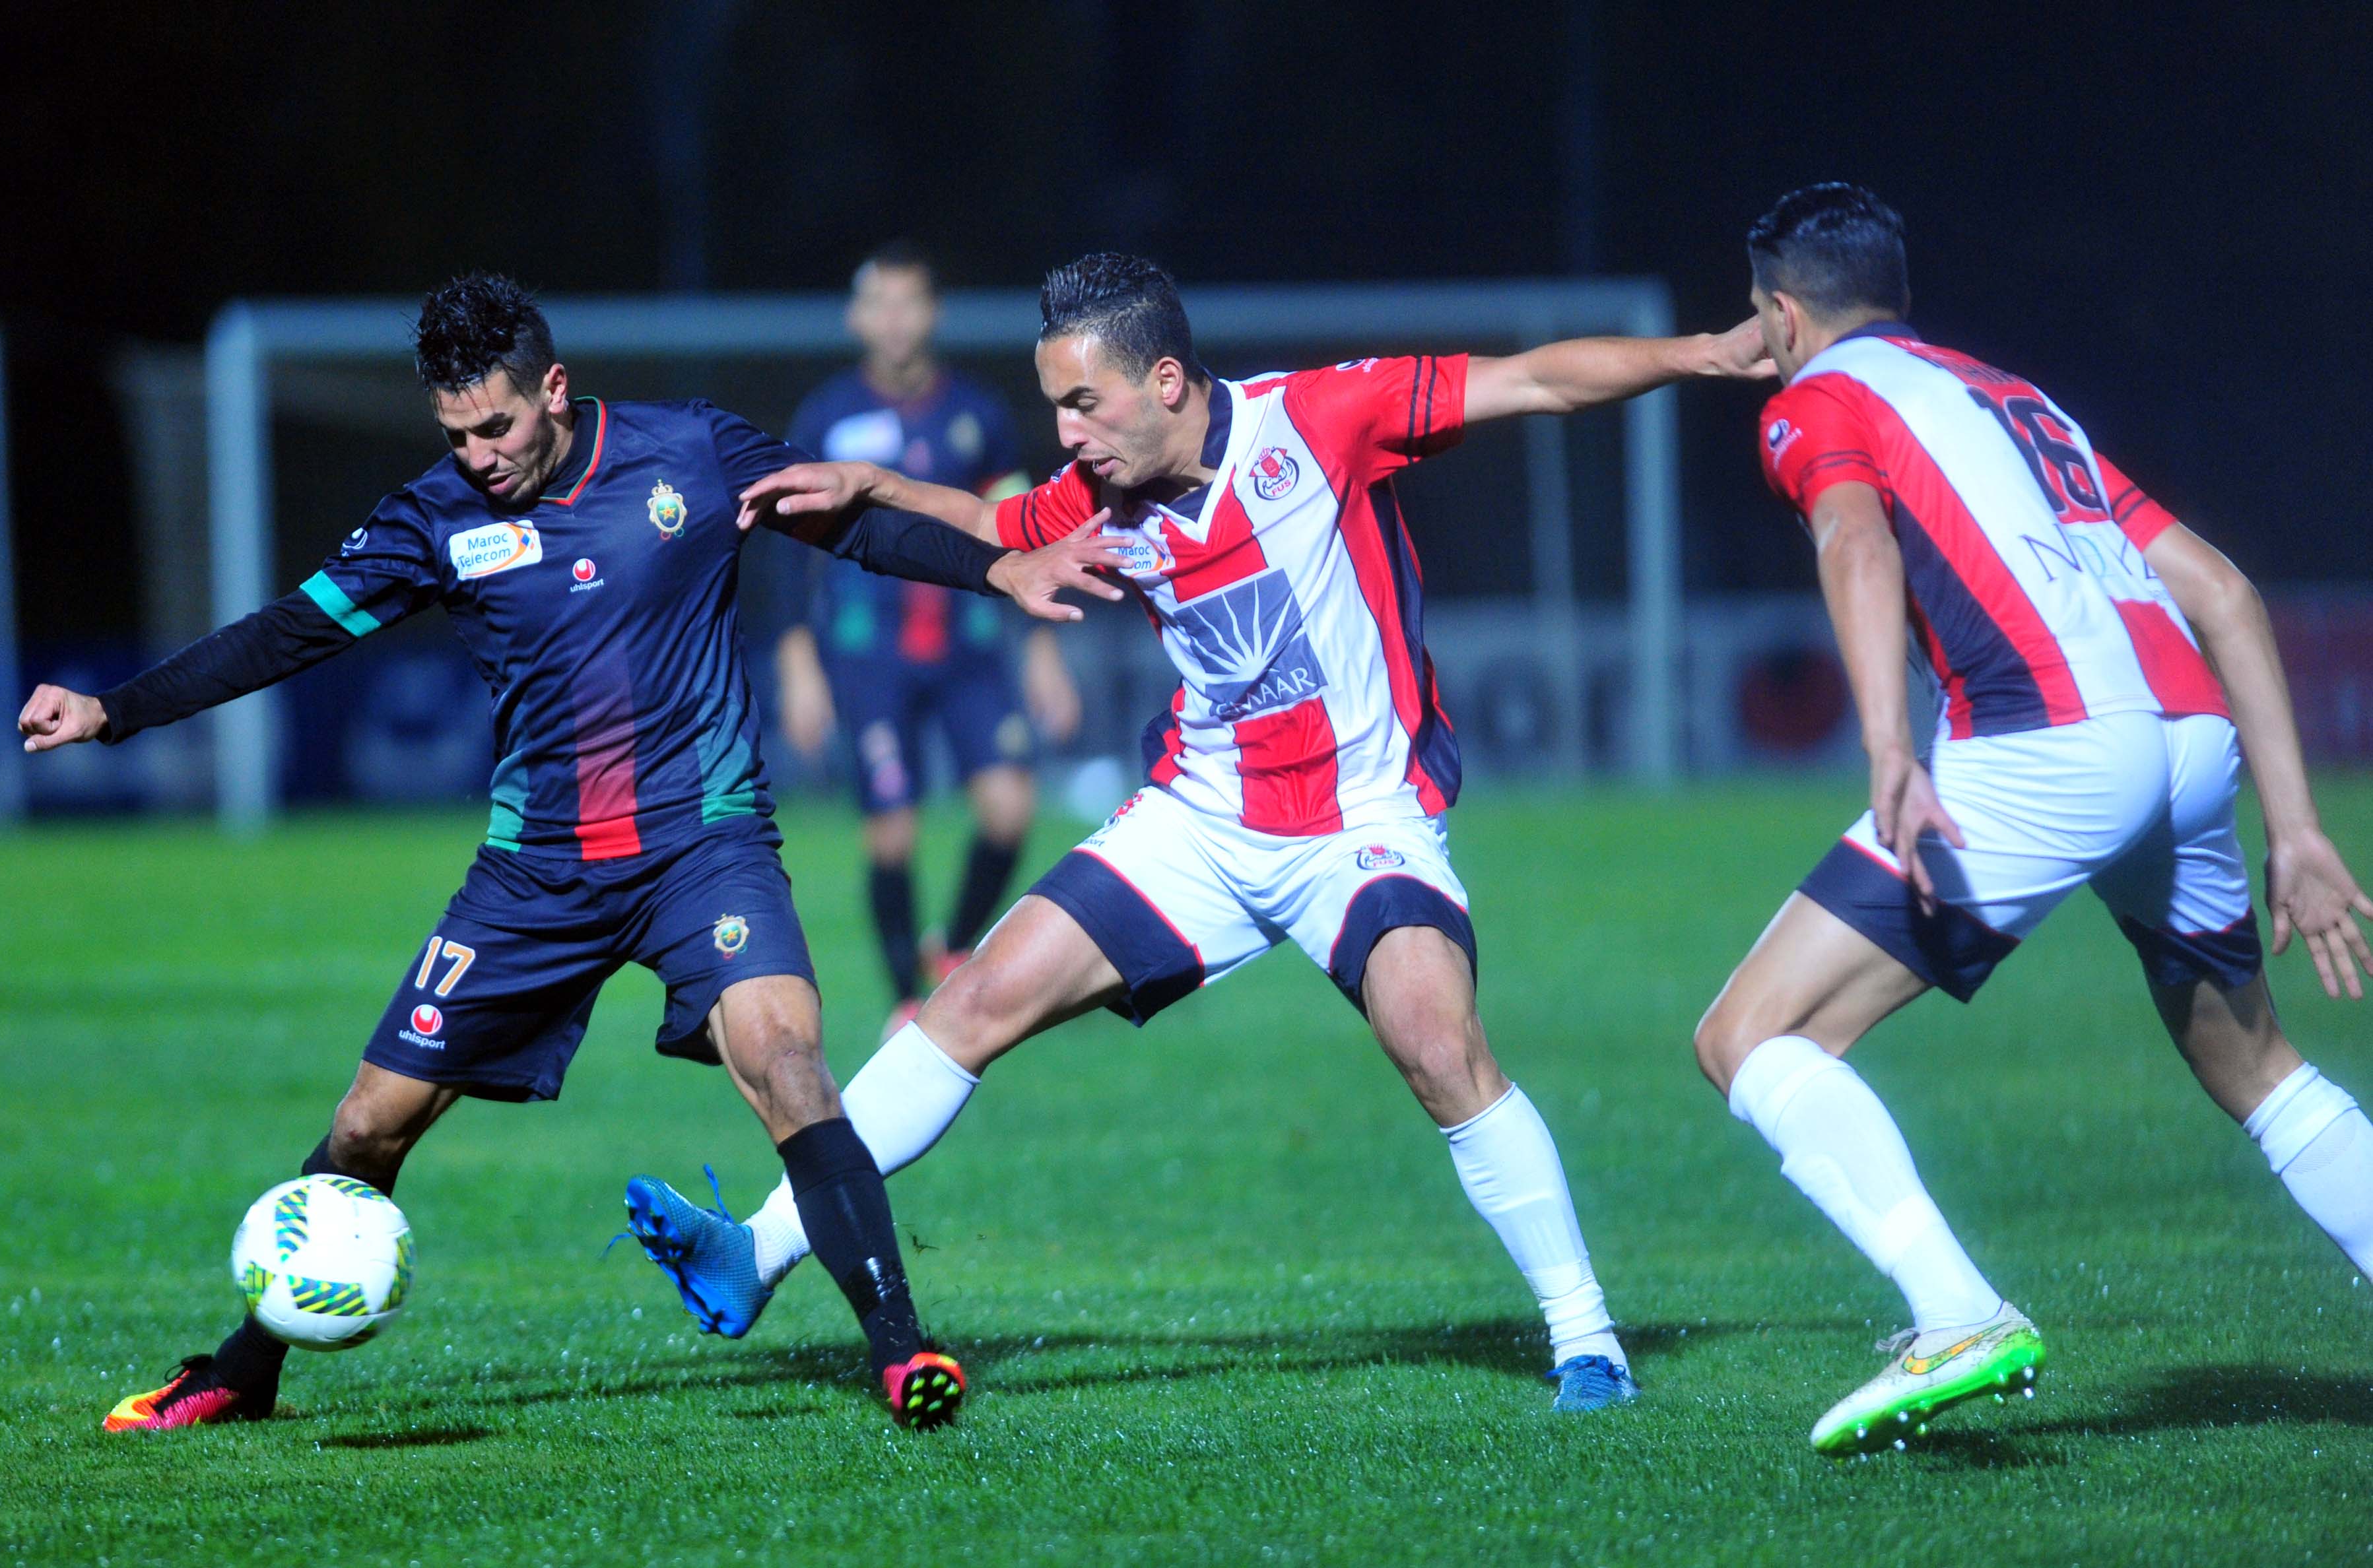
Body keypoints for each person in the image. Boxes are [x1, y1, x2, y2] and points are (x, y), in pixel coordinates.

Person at [620, 252, 1771, 1412]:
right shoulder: (1099, 493)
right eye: (1053, 404)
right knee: (965, 1004)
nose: (1064, 433)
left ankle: (1586, 1345)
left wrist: (1704, 355)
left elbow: (1535, 381)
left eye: (1083, 402)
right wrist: (870, 484)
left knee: (1435, 1041)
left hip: (1355, 821)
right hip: (1201, 819)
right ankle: (752, 1253)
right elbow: (989, 521)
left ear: (1165, 380)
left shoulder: (1317, 421)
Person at [17, 273, 1121, 1433]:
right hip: (533, 874)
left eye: (495, 424)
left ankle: (902, 1352)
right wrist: (114, 711)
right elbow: (289, 632)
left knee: (788, 1063)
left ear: (553, 389)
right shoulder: (432, 519)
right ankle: (244, 1370)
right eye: (454, 433)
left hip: (705, 845)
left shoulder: (687, 450)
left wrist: (994, 565)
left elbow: (845, 520)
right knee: (365, 1125)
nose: (478, 453)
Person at [1688, 184, 2373, 1455]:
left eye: (1755, 312)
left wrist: (1890, 746)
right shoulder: (2012, 399)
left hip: (2048, 745)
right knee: (2255, 1068)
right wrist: (2298, 830)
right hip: (2185, 740)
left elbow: (1850, 537)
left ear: (1781, 314)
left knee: (1746, 1036)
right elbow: (2221, 592)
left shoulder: (1816, 403)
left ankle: (1953, 1313)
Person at [773, 243, 1083, 1033]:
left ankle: (950, 953)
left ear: (932, 313)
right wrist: (798, 661)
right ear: (856, 317)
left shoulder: (978, 417)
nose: (895, 320)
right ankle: (909, 1000)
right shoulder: (827, 418)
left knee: (1011, 807)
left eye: (909, 302)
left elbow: (1026, 532)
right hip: (866, 651)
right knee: (892, 829)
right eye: (880, 304)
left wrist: (1044, 654)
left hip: (969, 644)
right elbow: (786, 552)